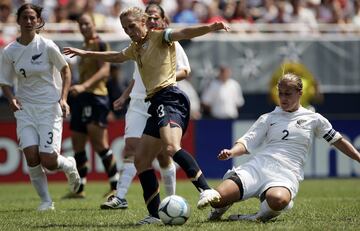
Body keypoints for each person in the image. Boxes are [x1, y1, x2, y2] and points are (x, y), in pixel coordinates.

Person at [63, 6, 230, 225]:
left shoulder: (161, 36)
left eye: (132, 25)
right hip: (155, 103)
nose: (129, 31)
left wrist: (212, 27)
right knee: (141, 160)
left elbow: (186, 33)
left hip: (170, 98)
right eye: (125, 28)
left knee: (171, 148)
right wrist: (86, 53)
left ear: (144, 21)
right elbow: (115, 56)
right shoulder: (136, 47)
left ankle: (206, 190)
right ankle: (154, 215)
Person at [202, 73, 360, 222]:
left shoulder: (314, 119)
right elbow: (246, 142)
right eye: (280, 93)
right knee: (216, 200)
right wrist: (231, 152)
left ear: (300, 93)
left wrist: (358, 158)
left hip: (286, 174)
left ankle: (255, 217)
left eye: (288, 94)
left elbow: (338, 141)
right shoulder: (268, 118)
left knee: (278, 199)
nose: (283, 98)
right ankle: (220, 208)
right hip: (259, 167)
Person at [100, 3, 191, 210]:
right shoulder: (138, 45)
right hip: (138, 102)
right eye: (148, 17)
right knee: (131, 147)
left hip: (160, 99)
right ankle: (121, 196)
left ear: (163, 20)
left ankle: (172, 201)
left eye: (155, 17)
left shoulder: (170, 42)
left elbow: (185, 71)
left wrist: (162, 80)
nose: (151, 20)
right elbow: (137, 76)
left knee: (164, 156)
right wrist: (124, 96)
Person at [0, 3, 80, 211]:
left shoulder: (47, 46)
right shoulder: (10, 51)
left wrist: (63, 99)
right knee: (31, 156)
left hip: (48, 108)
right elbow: (5, 81)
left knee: (49, 162)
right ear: (18, 21)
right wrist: (11, 98)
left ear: (38, 21)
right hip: (25, 110)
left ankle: (69, 165)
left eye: (32, 18)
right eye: (24, 18)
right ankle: (46, 201)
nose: (28, 21)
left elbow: (66, 70)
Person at [62, 13, 119, 199]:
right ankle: (79, 189)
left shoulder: (100, 44)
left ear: (94, 24)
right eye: (81, 24)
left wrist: (85, 86)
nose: (84, 27)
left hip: (96, 97)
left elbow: (105, 70)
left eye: (87, 23)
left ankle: (115, 186)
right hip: (82, 98)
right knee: (78, 142)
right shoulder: (84, 47)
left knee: (99, 143)